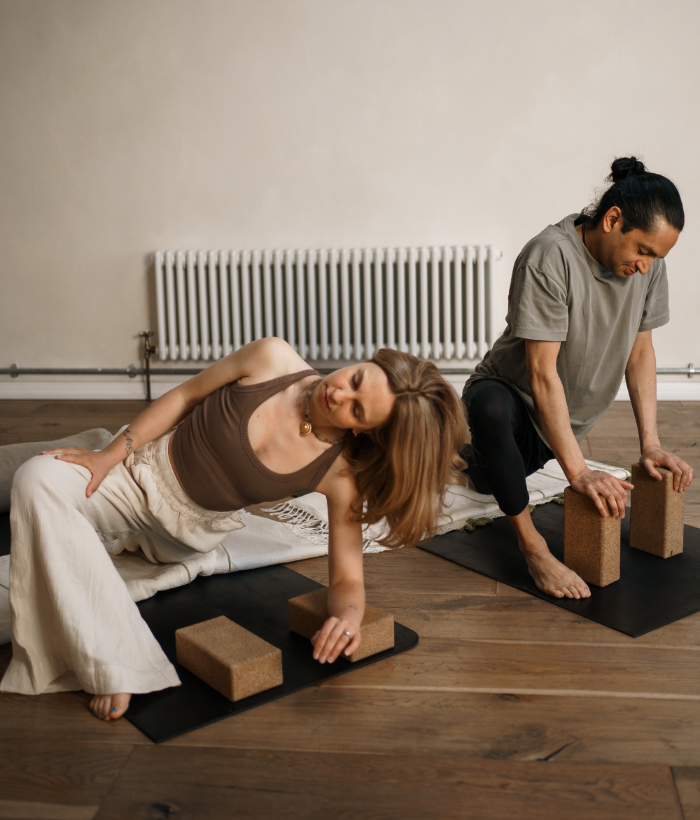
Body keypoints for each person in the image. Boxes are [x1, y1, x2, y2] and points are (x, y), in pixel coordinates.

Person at [1, 337, 467, 721]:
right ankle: (94, 461)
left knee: (56, 520)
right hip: (134, 473)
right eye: (357, 379)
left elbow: (348, 578)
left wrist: (346, 617)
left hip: (178, 533)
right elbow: (185, 395)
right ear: (366, 361)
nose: (340, 394)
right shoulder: (272, 358)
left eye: (357, 411)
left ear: (366, 432)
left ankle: (116, 667)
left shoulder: (339, 475)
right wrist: (110, 456)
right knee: (35, 478)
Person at [461, 156, 693, 599]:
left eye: (656, 257)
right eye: (643, 250)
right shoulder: (549, 255)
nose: (646, 265)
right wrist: (579, 472)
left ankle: (463, 461)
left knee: (483, 476)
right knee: (487, 408)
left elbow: (640, 351)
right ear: (612, 219)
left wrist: (651, 445)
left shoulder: (649, 268)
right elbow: (541, 374)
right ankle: (533, 549)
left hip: (557, 428)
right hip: (513, 403)